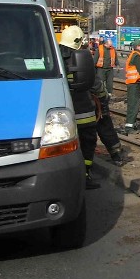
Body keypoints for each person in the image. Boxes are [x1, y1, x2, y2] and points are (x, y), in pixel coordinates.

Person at [58, 25, 101, 189]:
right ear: (78, 41)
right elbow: (94, 83)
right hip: (81, 108)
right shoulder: (81, 57)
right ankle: (85, 175)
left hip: (58, 110)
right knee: (88, 140)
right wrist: (102, 97)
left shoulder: (53, 54)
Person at [122, 41, 140, 134]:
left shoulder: (134, 54)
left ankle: (130, 124)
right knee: (134, 105)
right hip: (134, 83)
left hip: (133, 83)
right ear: (138, 46)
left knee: (133, 104)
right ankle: (129, 127)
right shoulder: (137, 56)